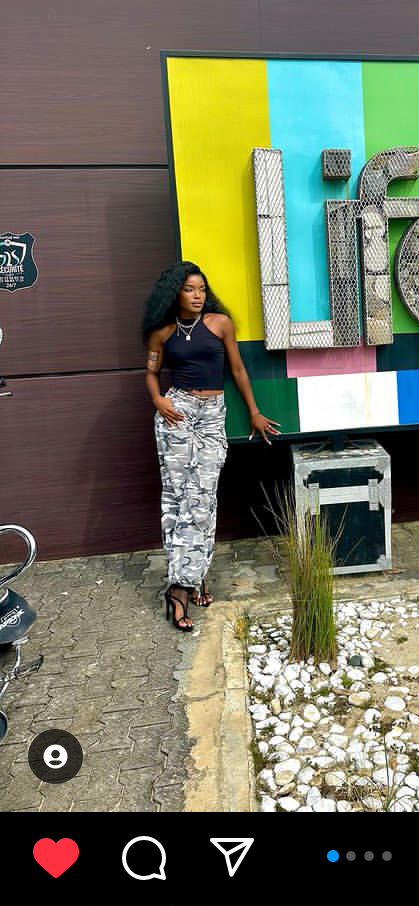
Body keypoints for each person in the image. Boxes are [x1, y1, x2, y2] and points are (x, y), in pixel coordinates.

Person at [142, 261, 280, 631]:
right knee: (178, 498)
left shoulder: (220, 324)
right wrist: (158, 400)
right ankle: (182, 587)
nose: (198, 295)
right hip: (177, 413)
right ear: (175, 293)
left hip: (212, 414)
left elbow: (238, 370)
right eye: (189, 289)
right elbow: (151, 373)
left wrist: (254, 412)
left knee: (203, 497)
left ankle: (191, 576)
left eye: (202, 289)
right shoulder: (162, 332)